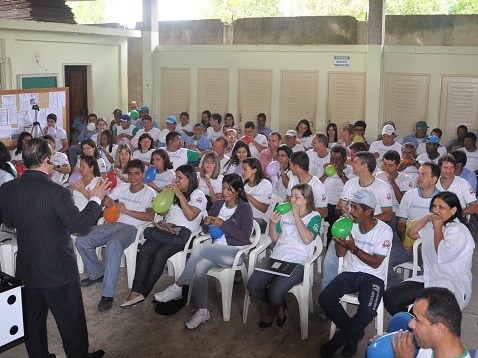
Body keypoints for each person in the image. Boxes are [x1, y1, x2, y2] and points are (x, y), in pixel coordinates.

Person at [0, 138, 109, 358]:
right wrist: (96, 200)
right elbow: (80, 226)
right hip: (58, 270)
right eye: (51, 156)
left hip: (27, 269)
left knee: (33, 322)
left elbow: (9, 222)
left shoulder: (7, 188)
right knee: (71, 323)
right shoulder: (57, 192)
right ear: (45, 159)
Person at [153, 173, 253, 329]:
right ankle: (203, 312)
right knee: (199, 268)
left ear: (238, 191)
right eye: (224, 188)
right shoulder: (218, 204)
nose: (225, 192)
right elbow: (207, 229)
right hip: (215, 250)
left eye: (229, 189)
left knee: (199, 248)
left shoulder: (245, 209)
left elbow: (245, 237)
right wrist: (207, 223)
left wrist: (223, 225)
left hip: (235, 252)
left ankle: (178, 286)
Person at [121, 164, 207, 308]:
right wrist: (163, 198)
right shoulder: (173, 192)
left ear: (190, 179)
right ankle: (136, 291)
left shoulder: (198, 194)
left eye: (180, 178)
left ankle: (143, 293)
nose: (177, 181)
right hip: (167, 229)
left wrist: (179, 195)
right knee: (145, 250)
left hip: (183, 234)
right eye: (176, 178)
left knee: (160, 254)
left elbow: (191, 216)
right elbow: (162, 213)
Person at [319, 190, 392, 358]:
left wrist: (354, 248)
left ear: (369, 211)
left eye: (356, 208)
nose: (351, 211)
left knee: (367, 310)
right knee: (325, 298)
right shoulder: (349, 224)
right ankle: (354, 334)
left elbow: (376, 262)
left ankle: (337, 340)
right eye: (351, 206)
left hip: (374, 277)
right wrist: (340, 238)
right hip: (351, 272)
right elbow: (341, 254)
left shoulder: (384, 231)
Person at [75, 159, 156, 311]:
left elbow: (150, 217)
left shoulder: (149, 192)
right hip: (113, 223)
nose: (133, 177)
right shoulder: (123, 187)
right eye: (130, 174)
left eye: (137, 174)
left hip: (132, 228)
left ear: (143, 174)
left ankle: (108, 294)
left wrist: (127, 211)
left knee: (113, 244)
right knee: (82, 240)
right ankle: (97, 273)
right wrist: (107, 200)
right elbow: (107, 200)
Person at [384, 191, 474, 315]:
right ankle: (409, 326)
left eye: (441, 207)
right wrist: (427, 217)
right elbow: (411, 233)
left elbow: (442, 254)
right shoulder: (433, 225)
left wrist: (437, 227)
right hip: (429, 279)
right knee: (391, 297)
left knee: (419, 313)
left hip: (452, 285)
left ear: (453, 211)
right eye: (434, 206)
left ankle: (416, 327)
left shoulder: (459, 231)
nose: (436, 210)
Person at [247, 183, 321, 328]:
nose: (292, 200)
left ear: (306, 199)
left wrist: (297, 217)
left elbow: (307, 239)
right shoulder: (285, 213)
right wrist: (273, 224)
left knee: (275, 291)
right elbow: (275, 239)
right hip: (277, 256)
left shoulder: (314, 216)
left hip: (298, 262)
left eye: (296, 197)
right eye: (291, 196)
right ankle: (279, 305)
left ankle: (270, 314)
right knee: (253, 287)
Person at [320, 151, 392, 294]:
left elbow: (388, 214)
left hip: (369, 232)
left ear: (364, 166)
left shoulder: (382, 187)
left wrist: (364, 219)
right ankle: (325, 296)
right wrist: (343, 211)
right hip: (348, 229)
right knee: (329, 261)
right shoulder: (351, 184)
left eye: (355, 162)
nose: (351, 164)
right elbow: (338, 207)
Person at [386, 162, 440, 289]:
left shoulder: (443, 199)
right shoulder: (410, 195)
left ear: (434, 179)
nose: (419, 177)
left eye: (424, 174)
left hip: (431, 247)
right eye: (418, 173)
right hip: (407, 244)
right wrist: (405, 239)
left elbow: (445, 230)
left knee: (431, 276)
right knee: (383, 259)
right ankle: (399, 290)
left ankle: (421, 299)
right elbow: (401, 222)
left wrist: (425, 244)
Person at [391, 287, 472, 358]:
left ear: (439, 329)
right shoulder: (431, 344)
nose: (410, 324)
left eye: (417, 320)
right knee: (399, 319)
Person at [319, 145, 353, 246]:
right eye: (332, 158)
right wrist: (325, 174)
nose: (334, 162)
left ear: (344, 159)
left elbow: (351, 187)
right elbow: (316, 184)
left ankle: (330, 248)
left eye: (337, 159)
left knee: (334, 224)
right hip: (322, 203)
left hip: (337, 205)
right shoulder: (325, 167)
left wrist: (341, 174)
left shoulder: (350, 170)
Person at [286, 151, 328, 219]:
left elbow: (324, 213)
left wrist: (304, 210)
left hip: (309, 222)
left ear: (297, 166)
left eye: (290, 164)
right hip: (292, 220)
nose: (289, 167)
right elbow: (288, 199)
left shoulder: (317, 185)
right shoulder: (293, 179)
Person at [242, 157, 272, 233]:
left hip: (261, 219)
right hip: (247, 218)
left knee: (244, 226)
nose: (242, 172)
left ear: (254, 170)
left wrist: (249, 197)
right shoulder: (244, 184)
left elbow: (264, 209)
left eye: (245, 169)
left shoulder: (265, 184)